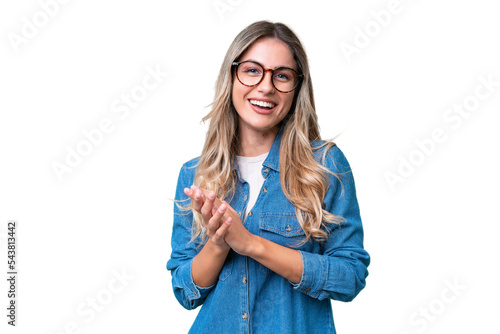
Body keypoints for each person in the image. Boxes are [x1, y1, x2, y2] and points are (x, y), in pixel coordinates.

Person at [167, 20, 370, 334]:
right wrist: (219, 243)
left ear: (296, 88)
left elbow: (349, 276)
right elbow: (185, 291)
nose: (266, 86)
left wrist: (250, 244)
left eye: (282, 76)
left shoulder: (325, 164)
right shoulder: (196, 173)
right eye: (252, 70)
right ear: (231, 77)